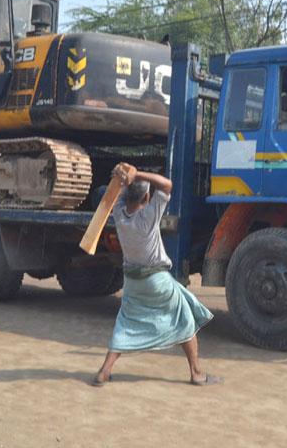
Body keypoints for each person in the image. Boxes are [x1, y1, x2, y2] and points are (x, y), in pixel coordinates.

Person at [91, 163, 221, 387]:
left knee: (125, 323)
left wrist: (123, 177)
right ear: (147, 197)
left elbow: (117, 193)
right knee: (185, 319)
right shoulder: (149, 216)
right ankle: (197, 373)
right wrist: (137, 174)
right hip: (155, 280)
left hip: (132, 281)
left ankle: (104, 371)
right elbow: (167, 184)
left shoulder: (119, 214)